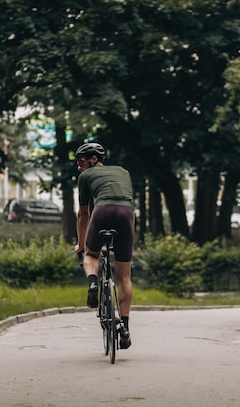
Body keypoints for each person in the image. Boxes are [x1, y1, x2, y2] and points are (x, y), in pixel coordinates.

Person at [74, 142, 135, 349]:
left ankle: (93, 283)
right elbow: (127, 199)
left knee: (90, 256)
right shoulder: (123, 171)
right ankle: (124, 329)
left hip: (102, 211)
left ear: (93, 159)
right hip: (126, 214)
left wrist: (81, 245)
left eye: (81, 161)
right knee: (124, 276)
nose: (79, 166)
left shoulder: (84, 177)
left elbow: (83, 214)